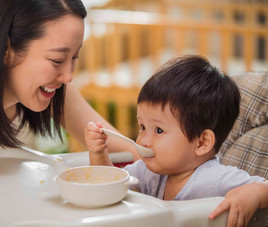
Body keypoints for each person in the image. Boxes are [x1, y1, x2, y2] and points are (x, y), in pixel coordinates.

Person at [0, 0, 138, 158]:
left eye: (74, 57)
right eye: (56, 60)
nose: (67, 77)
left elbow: (121, 148)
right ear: (5, 48)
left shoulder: (52, 85)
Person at [85, 55, 268, 227]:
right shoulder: (147, 171)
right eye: (142, 127)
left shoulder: (216, 179)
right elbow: (108, 189)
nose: (143, 141)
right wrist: (98, 152)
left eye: (158, 130)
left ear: (202, 143)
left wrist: (257, 193)